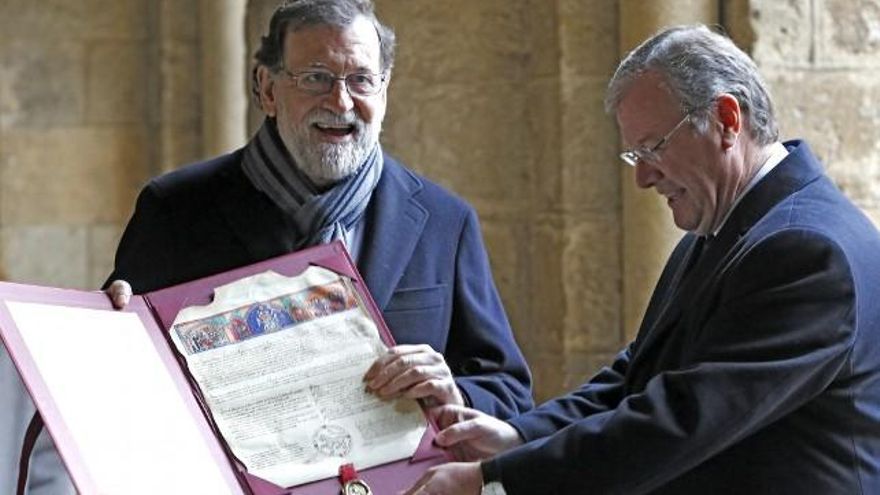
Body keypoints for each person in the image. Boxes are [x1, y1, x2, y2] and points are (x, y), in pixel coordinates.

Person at [405, 24, 880, 495]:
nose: (644, 178)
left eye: (653, 148)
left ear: (727, 121)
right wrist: (519, 436)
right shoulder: (728, 227)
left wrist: (494, 483)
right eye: (635, 156)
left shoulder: (806, 251)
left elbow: (680, 419)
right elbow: (639, 375)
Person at [105, 0, 532, 417]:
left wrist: (454, 394)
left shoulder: (444, 221)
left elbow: (509, 391)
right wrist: (106, 328)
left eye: (362, 80)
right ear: (268, 89)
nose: (341, 101)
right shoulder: (175, 209)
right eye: (316, 78)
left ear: (384, 90)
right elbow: (115, 377)